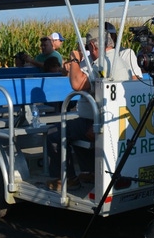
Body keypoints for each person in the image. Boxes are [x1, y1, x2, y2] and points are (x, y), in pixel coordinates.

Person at [47, 28, 135, 191]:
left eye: (87, 48)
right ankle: (91, 171)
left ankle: (68, 179)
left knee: (54, 132)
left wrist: (75, 60)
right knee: (78, 127)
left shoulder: (103, 63)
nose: (87, 52)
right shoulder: (118, 60)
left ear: (94, 47)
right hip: (113, 119)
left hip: (100, 121)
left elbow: (77, 84)